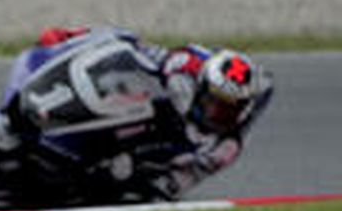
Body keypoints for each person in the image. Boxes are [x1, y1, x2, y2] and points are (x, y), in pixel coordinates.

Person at [26, 26, 274, 201]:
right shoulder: (187, 63)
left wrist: (149, 185)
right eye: (213, 103)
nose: (217, 113)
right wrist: (72, 37)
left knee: (118, 178)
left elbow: (180, 183)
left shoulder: (225, 146)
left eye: (228, 110)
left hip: (157, 156)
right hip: (148, 105)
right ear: (200, 87)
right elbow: (132, 45)